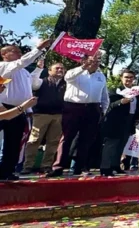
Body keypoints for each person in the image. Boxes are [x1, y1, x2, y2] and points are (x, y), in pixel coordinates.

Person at [49, 54, 109, 177]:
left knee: (87, 139)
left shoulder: (101, 76)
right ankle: (58, 167)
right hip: (73, 107)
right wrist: (83, 67)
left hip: (93, 108)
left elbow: (104, 94)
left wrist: (103, 110)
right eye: (92, 60)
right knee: (67, 137)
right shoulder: (74, 72)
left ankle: (80, 167)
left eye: (98, 60)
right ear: (84, 61)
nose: (95, 62)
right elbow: (68, 77)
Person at [0, 38, 51, 181]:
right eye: (14, 51)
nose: (19, 53)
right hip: (3, 108)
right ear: (4, 54)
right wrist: (38, 49)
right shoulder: (4, 66)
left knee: (14, 142)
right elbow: (22, 62)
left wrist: (28, 110)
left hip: (20, 109)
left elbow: (27, 90)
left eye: (19, 51)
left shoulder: (24, 72)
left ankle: (7, 171)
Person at [22, 61, 66, 174]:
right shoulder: (42, 81)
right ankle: (27, 166)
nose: (60, 70)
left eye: (62, 68)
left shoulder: (66, 84)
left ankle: (46, 166)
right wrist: (39, 68)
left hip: (58, 115)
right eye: (57, 68)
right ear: (49, 71)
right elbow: (33, 83)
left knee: (53, 142)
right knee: (34, 140)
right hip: (41, 114)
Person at [101, 69, 139, 177]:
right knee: (111, 144)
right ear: (121, 78)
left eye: (131, 77)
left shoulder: (136, 92)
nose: (129, 79)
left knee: (122, 144)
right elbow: (109, 105)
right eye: (126, 77)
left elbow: (137, 107)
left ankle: (115, 166)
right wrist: (121, 102)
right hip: (115, 121)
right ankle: (105, 168)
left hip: (129, 120)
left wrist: (137, 118)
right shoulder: (115, 90)